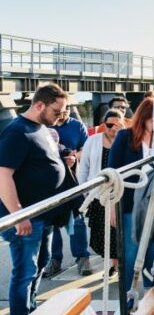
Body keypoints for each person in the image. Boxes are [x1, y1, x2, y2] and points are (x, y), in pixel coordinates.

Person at [0, 83, 68, 315]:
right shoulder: (17, 132)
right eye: (57, 112)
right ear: (40, 105)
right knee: (24, 272)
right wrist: (18, 216)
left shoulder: (40, 128)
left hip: (44, 215)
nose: (60, 117)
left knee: (41, 264)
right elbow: (3, 175)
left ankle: (31, 310)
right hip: (27, 218)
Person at [109, 97, 154, 293]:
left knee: (153, 254)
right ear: (144, 117)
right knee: (130, 253)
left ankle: (153, 299)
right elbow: (112, 173)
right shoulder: (124, 137)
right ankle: (126, 301)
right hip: (129, 204)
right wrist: (112, 207)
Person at [46, 103, 92, 277]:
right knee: (52, 223)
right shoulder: (45, 125)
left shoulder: (76, 125)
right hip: (50, 183)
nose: (62, 113)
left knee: (77, 220)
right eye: (59, 110)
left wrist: (73, 157)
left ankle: (82, 258)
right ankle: (54, 260)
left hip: (73, 180)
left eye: (66, 109)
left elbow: (84, 149)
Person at [80, 109, 125, 272]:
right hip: (98, 195)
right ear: (103, 124)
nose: (113, 128)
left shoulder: (126, 140)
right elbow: (84, 167)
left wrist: (122, 137)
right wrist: (85, 192)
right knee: (101, 232)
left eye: (117, 124)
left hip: (120, 193)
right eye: (109, 124)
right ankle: (111, 260)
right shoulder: (92, 141)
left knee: (117, 231)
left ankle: (116, 264)